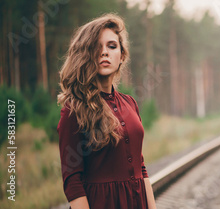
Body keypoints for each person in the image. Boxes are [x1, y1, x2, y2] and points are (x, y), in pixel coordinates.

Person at [56, 13, 157, 209]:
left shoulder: (131, 103)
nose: (104, 52)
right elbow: (72, 181)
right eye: (96, 47)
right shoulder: (74, 109)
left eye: (112, 46)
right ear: (86, 55)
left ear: (122, 56)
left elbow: (140, 167)